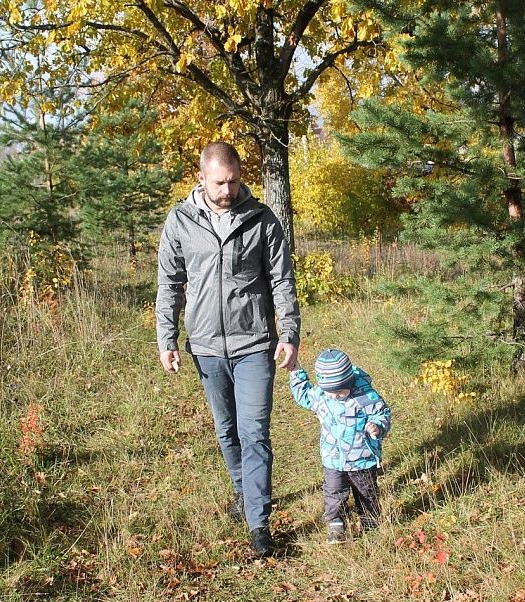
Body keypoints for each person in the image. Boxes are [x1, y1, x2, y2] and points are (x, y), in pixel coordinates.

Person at [155, 141, 300, 558]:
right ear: (201, 177)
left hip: (254, 341)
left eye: (234, 181)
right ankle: (242, 491)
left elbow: (282, 281)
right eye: (219, 182)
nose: (227, 190)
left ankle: (258, 522)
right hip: (205, 345)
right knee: (227, 431)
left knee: (254, 432)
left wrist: (288, 333)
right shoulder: (180, 221)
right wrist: (166, 338)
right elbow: (170, 284)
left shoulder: (261, 219)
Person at [289, 348, 391, 544]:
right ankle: (336, 525)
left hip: (361, 458)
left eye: (340, 391)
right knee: (333, 492)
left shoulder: (365, 396)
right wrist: (295, 371)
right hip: (333, 458)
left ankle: (371, 523)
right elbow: (304, 395)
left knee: (366, 492)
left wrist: (377, 426)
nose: (336, 396)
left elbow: (382, 413)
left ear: (350, 381)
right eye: (331, 392)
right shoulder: (322, 395)